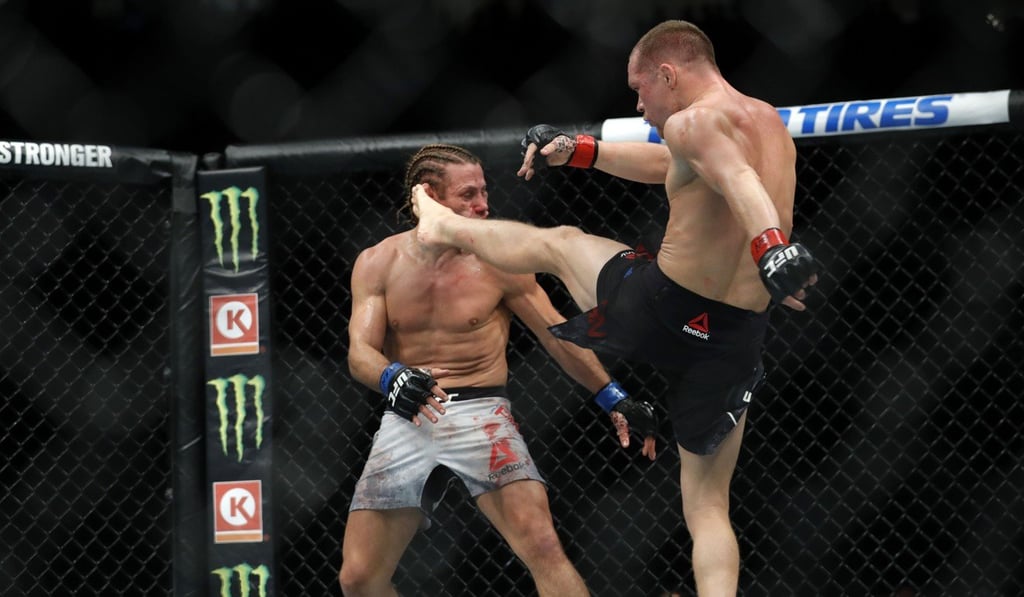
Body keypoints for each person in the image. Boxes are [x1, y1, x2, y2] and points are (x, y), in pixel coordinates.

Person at [410, 20, 818, 597]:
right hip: (734, 337)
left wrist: (771, 248)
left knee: (560, 243)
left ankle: (442, 224)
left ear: (668, 74)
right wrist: (582, 151)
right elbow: (680, 168)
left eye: (639, 88)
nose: (638, 105)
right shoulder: (769, 123)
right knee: (707, 506)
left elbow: (737, 179)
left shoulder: (693, 120)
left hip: (664, 308)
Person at [339, 143, 657, 597]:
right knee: (358, 577)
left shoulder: (499, 259)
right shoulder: (378, 262)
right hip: (409, 415)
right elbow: (360, 354)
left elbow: (555, 334)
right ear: (429, 195)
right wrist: (392, 377)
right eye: (468, 194)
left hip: (481, 412)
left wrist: (614, 397)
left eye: (484, 191)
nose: (483, 205)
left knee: (542, 546)